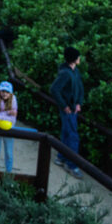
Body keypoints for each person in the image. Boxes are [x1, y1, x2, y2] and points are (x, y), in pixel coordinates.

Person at [49, 46, 85, 179]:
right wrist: (64, 105)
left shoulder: (76, 71)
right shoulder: (65, 73)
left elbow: (80, 88)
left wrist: (79, 103)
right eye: (78, 57)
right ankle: (72, 165)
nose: (80, 59)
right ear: (74, 59)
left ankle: (61, 157)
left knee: (66, 132)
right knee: (73, 136)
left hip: (74, 108)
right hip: (68, 109)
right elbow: (54, 89)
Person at [0, 81, 17, 174]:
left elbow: (12, 119)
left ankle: (8, 173)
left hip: (9, 129)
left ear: (11, 93)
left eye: (7, 92)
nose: (5, 93)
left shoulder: (13, 100)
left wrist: (1, 116)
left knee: (9, 153)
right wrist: (8, 113)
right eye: (3, 91)